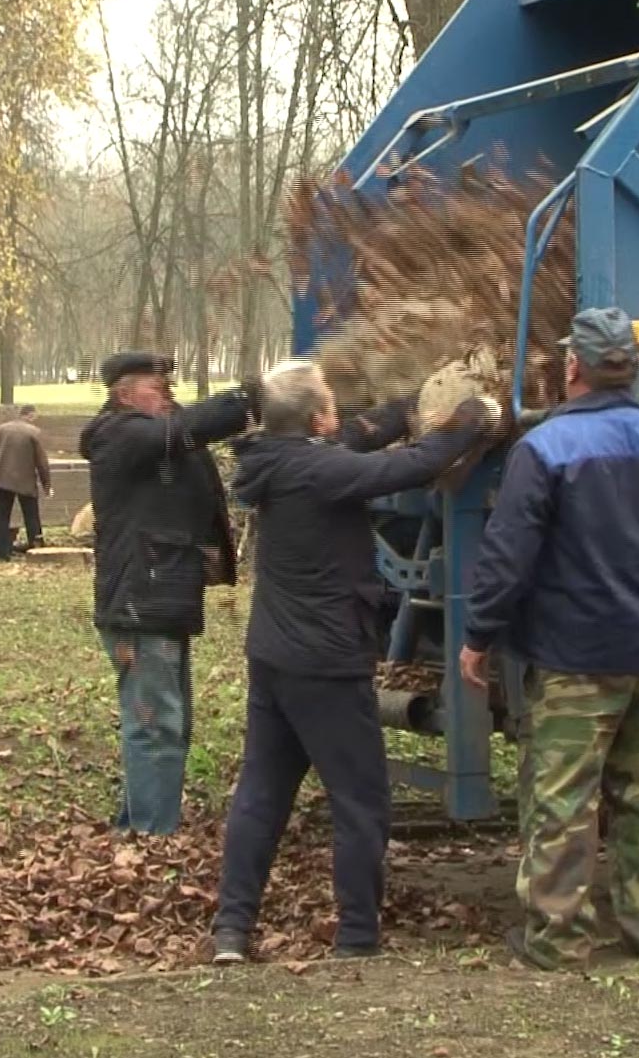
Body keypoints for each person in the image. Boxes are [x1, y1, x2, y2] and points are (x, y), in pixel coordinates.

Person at [457, 307, 639, 971]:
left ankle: (558, 940)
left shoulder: (545, 448)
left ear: (573, 367)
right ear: (631, 370)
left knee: (563, 798)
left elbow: (508, 554)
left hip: (576, 657)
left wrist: (478, 635)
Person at [210, 360, 490, 963]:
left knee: (262, 792)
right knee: (361, 800)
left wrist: (410, 404)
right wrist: (465, 422)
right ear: (316, 417)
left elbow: (360, 438)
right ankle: (358, 936)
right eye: (331, 402)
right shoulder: (319, 468)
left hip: (275, 654)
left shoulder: (274, 457)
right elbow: (408, 466)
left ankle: (232, 930)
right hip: (328, 660)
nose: (339, 411)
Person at [80, 352, 259, 835]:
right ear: (123, 393)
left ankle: (136, 827)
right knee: (156, 724)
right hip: (141, 604)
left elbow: (193, 437)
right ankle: (153, 840)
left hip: (159, 601)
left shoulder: (156, 437)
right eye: (156, 388)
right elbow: (184, 430)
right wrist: (250, 398)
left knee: (166, 722)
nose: (168, 395)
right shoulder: (118, 435)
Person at [0, 404, 53, 560]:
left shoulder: (1, 429)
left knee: (2, 517)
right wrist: (46, 485)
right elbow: (42, 462)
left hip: (1, 480)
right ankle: (37, 548)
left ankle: (2, 553)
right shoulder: (34, 433)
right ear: (31, 416)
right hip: (24, 482)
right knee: (31, 515)